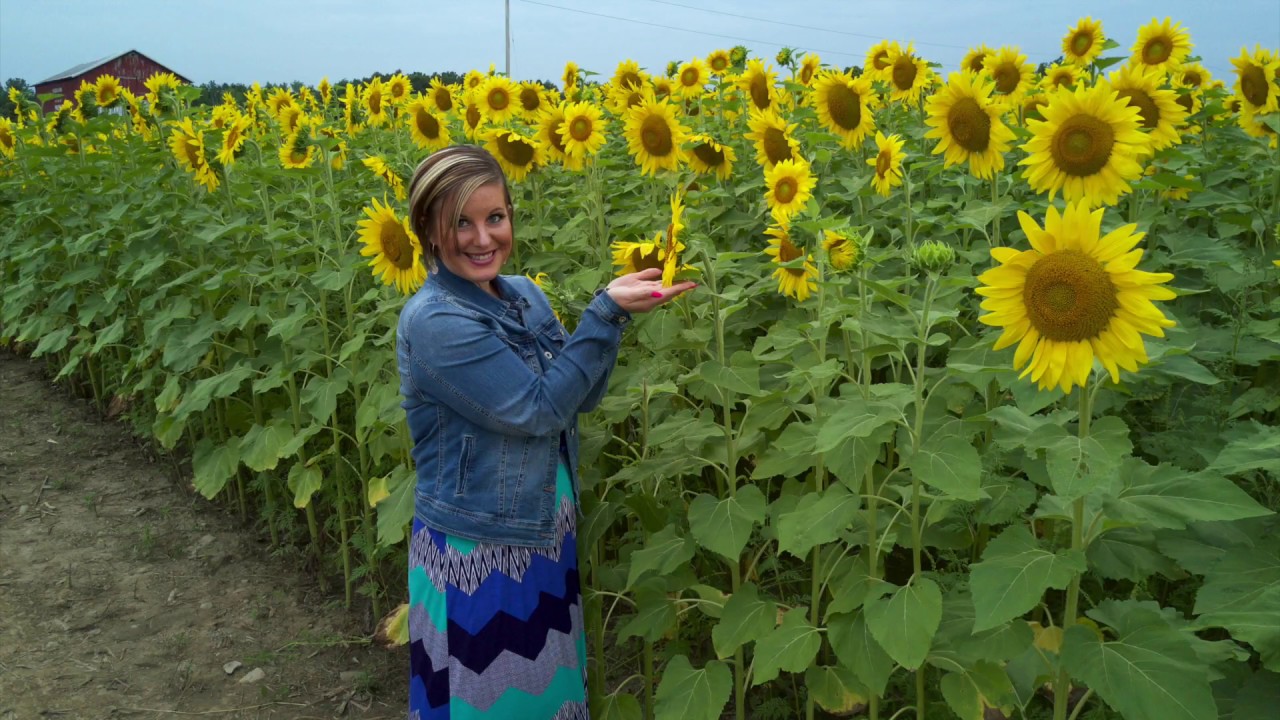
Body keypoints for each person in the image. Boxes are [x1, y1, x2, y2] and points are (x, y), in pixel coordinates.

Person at [397, 144, 695, 719]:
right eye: (460, 222)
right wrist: (605, 313)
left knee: (549, 695)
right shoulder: (435, 321)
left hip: (545, 527)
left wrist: (611, 317)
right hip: (479, 547)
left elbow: (579, 396)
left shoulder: (524, 297)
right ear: (429, 230)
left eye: (494, 217)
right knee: (489, 700)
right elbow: (539, 410)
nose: (482, 238)